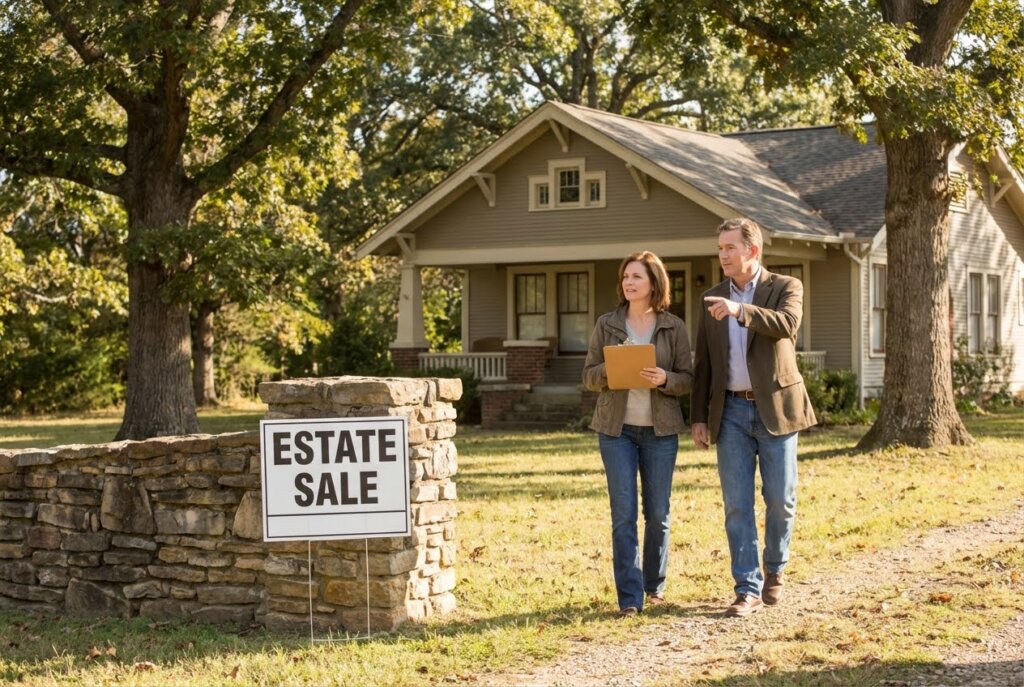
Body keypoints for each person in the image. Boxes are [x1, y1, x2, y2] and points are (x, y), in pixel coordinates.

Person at [691, 217, 817, 618]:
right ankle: (747, 587)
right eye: (720, 248)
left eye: (730, 247)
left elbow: (787, 325)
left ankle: (775, 568)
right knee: (737, 504)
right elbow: (705, 362)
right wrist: (697, 416)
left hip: (775, 409)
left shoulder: (784, 287)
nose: (723, 255)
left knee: (780, 498)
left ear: (752, 250)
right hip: (728, 412)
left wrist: (741, 311)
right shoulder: (711, 297)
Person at [583, 251, 694, 617]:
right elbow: (588, 375)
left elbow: (688, 379)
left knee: (658, 513)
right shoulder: (607, 324)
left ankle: (654, 585)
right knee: (623, 514)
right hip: (616, 431)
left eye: (637, 277)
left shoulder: (673, 326)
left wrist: (665, 379)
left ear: (654, 283)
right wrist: (611, 371)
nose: (629, 283)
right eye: (626, 277)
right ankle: (630, 599)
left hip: (661, 432)